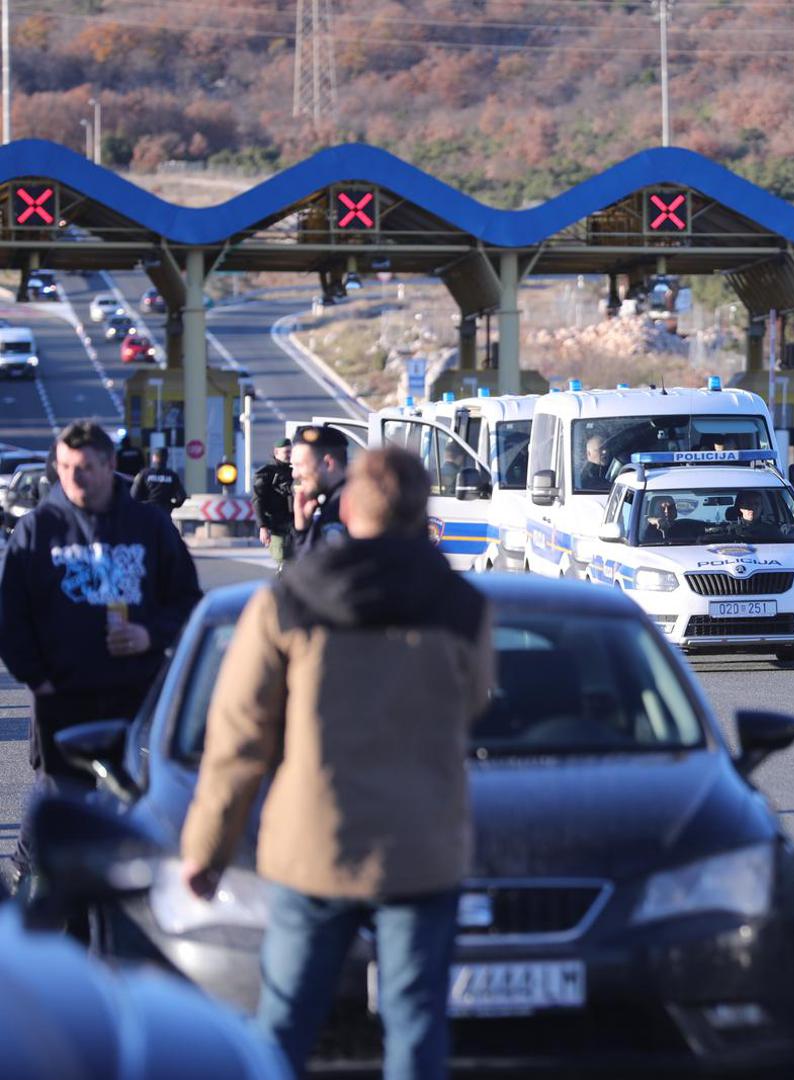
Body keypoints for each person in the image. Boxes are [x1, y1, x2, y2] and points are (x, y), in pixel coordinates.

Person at [179, 446, 495, 1080]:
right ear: (421, 510)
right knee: (415, 1021)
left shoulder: (288, 600)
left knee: (285, 1019)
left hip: (313, 844)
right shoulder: (462, 607)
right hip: (420, 845)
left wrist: (207, 849)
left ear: (348, 507)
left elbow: (240, 736)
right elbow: (475, 702)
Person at [0, 420, 201, 891]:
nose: (74, 477)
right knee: (61, 802)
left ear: (111, 467)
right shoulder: (36, 530)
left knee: (132, 804)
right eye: (66, 467)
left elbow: (189, 603)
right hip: (60, 699)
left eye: (87, 467)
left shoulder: (148, 526)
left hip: (134, 696)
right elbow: (11, 618)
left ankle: (125, 915)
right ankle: (39, 893)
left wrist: (149, 635)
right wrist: (38, 678)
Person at [289, 424, 348, 561]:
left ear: (328, 464)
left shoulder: (340, 510)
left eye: (300, 465)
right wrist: (302, 527)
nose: (294, 474)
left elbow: (313, 574)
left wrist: (302, 535)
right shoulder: (337, 501)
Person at [253, 439, 295, 571]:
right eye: (286, 452)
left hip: (294, 524)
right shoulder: (267, 473)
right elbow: (258, 500)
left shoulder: (295, 471)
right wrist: (263, 527)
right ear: (276, 452)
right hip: (277, 526)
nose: (289, 455)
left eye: (291, 451)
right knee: (283, 560)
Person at [130, 446, 188, 513]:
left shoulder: (143, 474)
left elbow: (133, 496)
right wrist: (171, 506)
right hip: (164, 515)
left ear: (153, 458)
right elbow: (182, 497)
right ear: (167, 458)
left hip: (147, 514)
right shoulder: (173, 476)